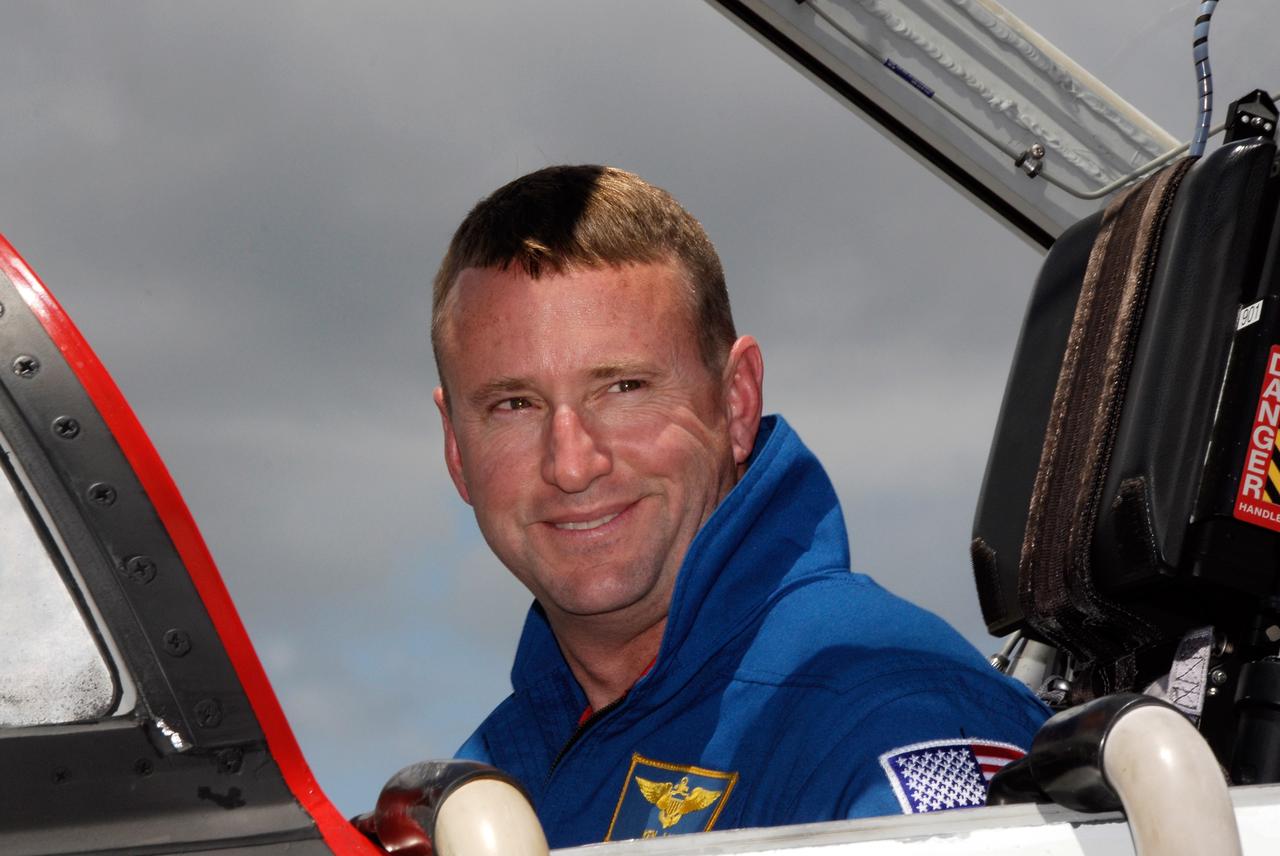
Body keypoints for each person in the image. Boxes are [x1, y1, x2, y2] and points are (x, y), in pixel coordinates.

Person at [430, 165, 1049, 848]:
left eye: (624, 387)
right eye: (513, 405)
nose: (572, 464)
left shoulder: (891, 716)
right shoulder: (488, 780)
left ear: (737, 401)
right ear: (456, 447)